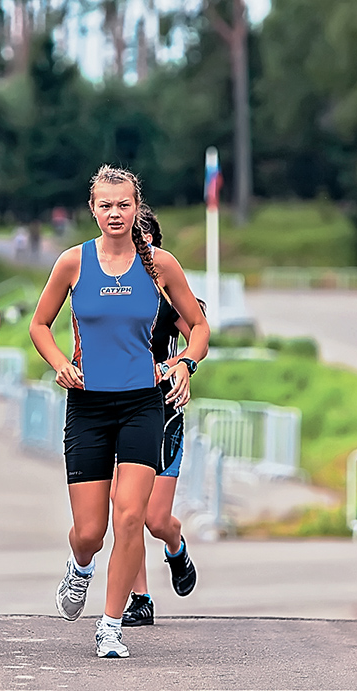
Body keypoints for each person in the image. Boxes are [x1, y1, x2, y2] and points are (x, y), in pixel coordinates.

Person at [29, 165, 209, 658]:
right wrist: (61, 363)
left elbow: (198, 327)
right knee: (90, 530)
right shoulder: (72, 263)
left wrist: (185, 365)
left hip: (141, 404)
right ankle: (80, 566)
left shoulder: (159, 265)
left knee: (130, 517)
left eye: (124, 204)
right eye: (106, 205)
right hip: (87, 405)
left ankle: (111, 625)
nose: (115, 213)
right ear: (93, 209)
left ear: (136, 207)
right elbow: (40, 325)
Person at [117, 206, 201, 628]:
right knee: (125, 509)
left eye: (146, 238)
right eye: (134, 237)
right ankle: (140, 598)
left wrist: (184, 365)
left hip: (163, 409)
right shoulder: (107, 283)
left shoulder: (167, 289)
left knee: (153, 519)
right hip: (116, 406)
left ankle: (176, 545)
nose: (139, 245)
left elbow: (199, 334)